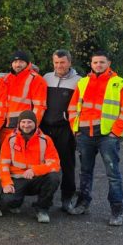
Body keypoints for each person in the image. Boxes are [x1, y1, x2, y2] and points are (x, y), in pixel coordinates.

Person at [69, 50, 123, 226]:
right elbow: (72, 108)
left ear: (109, 63)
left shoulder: (119, 84)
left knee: (113, 174)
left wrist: (115, 132)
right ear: (91, 64)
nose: (98, 65)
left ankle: (116, 210)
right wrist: (75, 129)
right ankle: (83, 203)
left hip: (107, 136)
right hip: (85, 135)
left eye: (102, 62)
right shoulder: (82, 83)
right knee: (85, 172)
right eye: (95, 62)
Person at [0, 110, 62, 223]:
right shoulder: (10, 139)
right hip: (17, 178)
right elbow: (3, 163)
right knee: (7, 201)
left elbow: (54, 163)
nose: (26, 125)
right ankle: (17, 201)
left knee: (54, 177)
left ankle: (42, 209)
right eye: (23, 122)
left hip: (36, 179)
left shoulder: (45, 140)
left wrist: (35, 170)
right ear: (19, 124)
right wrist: (6, 182)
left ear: (35, 124)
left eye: (29, 122)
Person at [41, 49, 81, 212]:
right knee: (43, 164)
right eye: (56, 63)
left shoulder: (79, 81)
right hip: (45, 127)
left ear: (69, 62)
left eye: (63, 62)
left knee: (67, 164)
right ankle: (44, 198)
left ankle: (67, 198)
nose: (59, 66)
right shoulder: (46, 77)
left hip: (65, 129)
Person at [0, 50, 47, 146]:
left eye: (21, 62)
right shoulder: (5, 79)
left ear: (27, 63)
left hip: (23, 128)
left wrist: (32, 127)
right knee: (5, 157)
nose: (17, 65)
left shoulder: (36, 79)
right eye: (15, 62)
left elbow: (40, 106)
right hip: (4, 127)